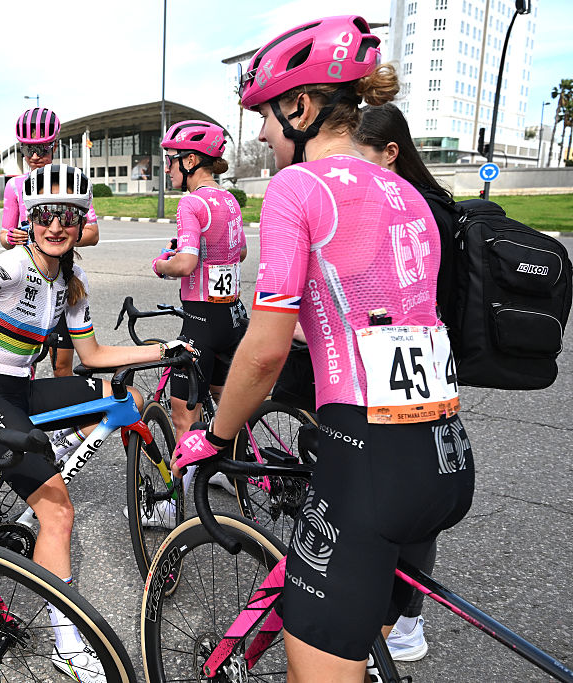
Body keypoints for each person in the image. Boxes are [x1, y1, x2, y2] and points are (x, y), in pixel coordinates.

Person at [173, 16, 475, 682]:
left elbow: (264, 351)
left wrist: (215, 438)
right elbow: (369, 314)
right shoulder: (409, 193)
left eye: (265, 116)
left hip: (368, 467)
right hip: (444, 457)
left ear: (301, 106)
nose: (260, 134)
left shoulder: (298, 187)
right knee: (355, 650)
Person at [0, 163, 185, 682]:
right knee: (57, 513)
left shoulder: (72, 282)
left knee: (127, 396)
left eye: (68, 218)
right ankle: (67, 645)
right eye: (45, 217)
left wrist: (163, 350)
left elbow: (93, 356)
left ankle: (72, 468)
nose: (56, 226)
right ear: (29, 222)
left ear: (80, 225)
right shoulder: (12, 266)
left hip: (21, 388)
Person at [354, 101, 458, 663]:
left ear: (391, 152)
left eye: (361, 158)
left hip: (407, 368)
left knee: (406, 503)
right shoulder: (427, 202)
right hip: (422, 363)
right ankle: (398, 618)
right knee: (409, 494)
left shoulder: (412, 208)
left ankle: (405, 622)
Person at [151, 120, 248, 502]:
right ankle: (227, 472)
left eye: (171, 160)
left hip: (201, 321)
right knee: (227, 407)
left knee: (183, 417)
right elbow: (240, 252)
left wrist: (161, 265)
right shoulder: (229, 200)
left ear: (190, 161)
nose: (168, 168)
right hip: (233, 318)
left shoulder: (191, 203)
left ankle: (173, 505)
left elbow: (187, 262)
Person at [0, 108, 100, 379]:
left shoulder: (71, 181)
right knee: (21, 363)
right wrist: (10, 238)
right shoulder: (14, 186)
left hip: (62, 275)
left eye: (41, 149)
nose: (34, 156)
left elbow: (93, 233)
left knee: (61, 366)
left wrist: (56, 236)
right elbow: (4, 235)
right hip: (27, 279)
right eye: (27, 149)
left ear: (54, 147)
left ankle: (63, 408)